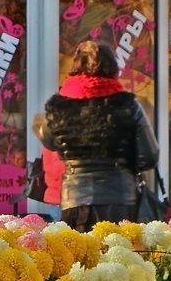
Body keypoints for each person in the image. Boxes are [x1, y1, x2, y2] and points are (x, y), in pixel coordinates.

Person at [39, 40, 159, 231]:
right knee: (120, 256)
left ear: (76, 66)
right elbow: (149, 156)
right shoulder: (127, 104)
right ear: (112, 67)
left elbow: (48, 140)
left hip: (75, 199)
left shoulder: (59, 105)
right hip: (121, 198)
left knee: (80, 258)